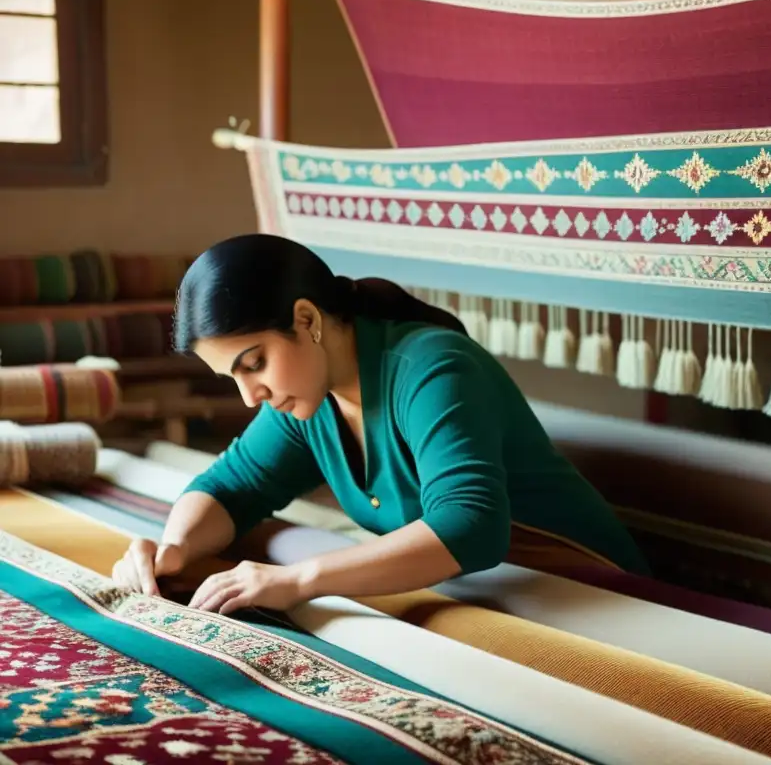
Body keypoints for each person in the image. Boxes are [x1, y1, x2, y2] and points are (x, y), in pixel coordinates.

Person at [111, 233, 650, 615]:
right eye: (232, 377)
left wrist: (298, 579)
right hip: (494, 594)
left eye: (254, 363)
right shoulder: (308, 400)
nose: (250, 396)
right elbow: (231, 487)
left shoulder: (433, 368)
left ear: (307, 320)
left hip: (596, 592)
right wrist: (174, 550)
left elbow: (471, 526)